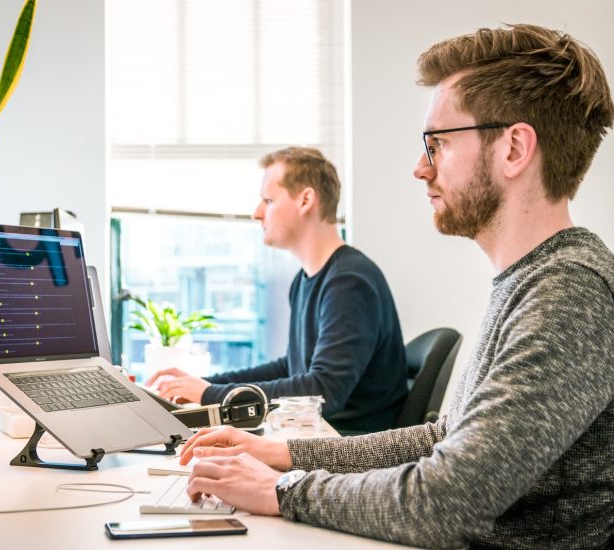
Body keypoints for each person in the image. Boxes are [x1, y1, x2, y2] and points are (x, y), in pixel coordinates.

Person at [176, 24, 614, 549]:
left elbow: (446, 501)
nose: (420, 168)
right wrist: (282, 454)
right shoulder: (531, 280)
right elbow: (444, 438)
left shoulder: (569, 293)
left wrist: (281, 489)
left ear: (514, 148)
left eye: (438, 144)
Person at [150, 147, 408, 434]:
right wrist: (207, 385)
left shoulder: (349, 282)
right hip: (318, 435)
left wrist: (210, 395)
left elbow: (323, 393)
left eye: (268, 200)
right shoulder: (307, 279)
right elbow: (292, 368)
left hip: (348, 446)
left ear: (305, 200)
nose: (256, 213)